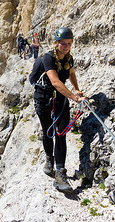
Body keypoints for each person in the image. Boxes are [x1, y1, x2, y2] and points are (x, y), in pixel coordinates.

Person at [33, 27, 87, 193]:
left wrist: (76, 89)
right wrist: (75, 97)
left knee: (61, 133)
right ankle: (49, 159)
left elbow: (71, 73)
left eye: (69, 43)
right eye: (62, 43)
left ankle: (60, 173)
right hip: (44, 99)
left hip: (60, 99)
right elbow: (55, 82)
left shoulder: (68, 58)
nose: (66, 46)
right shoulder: (48, 58)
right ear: (56, 43)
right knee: (48, 132)